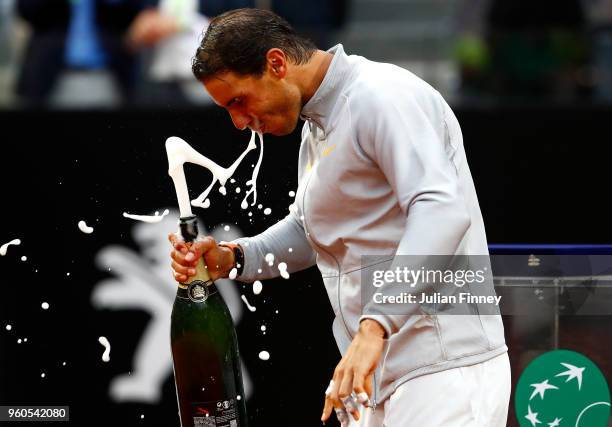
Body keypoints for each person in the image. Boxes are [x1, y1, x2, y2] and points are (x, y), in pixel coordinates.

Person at [168, 8, 511, 426]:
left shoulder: (382, 96)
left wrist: (374, 327)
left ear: (276, 64)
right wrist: (232, 257)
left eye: (238, 101)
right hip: (374, 375)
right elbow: (309, 230)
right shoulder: (318, 127)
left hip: (443, 371)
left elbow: (442, 211)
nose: (239, 122)